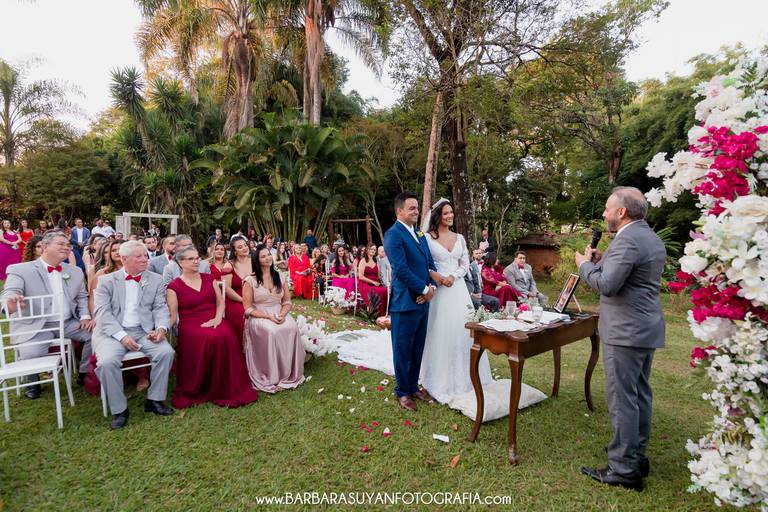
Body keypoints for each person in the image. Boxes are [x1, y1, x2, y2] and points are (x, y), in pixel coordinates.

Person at [575, 186, 666, 492]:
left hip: (625, 331)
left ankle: (624, 468)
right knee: (639, 394)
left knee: (623, 399)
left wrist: (584, 265)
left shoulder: (627, 239)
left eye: (607, 208)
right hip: (644, 328)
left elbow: (608, 285)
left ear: (622, 211)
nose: (604, 213)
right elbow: (630, 274)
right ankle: (636, 456)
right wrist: (602, 260)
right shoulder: (648, 237)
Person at [411, 199, 496, 404]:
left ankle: (469, 373)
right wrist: (438, 278)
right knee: (440, 331)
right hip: (438, 291)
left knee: (463, 331)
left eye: (451, 212)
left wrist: (453, 276)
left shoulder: (460, 238)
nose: (450, 216)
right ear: (437, 216)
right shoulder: (427, 238)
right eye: (445, 213)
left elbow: (465, 264)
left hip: (457, 290)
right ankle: (436, 376)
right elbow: (422, 264)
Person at [92, 240, 175, 429]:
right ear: (124, 259)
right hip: (111, 333)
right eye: (139, 256)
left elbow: (160, 307)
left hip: (142, 330)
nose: (145, 259)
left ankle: (155, 400)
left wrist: (161, 328)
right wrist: (121, 336)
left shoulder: (155, 279)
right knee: (107, 362)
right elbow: (102, 314)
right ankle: (120, 410)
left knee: (166, 352)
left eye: (145, 255)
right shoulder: (106, 281)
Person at [0, 231, 94, 399]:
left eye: (68, 245)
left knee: (95, 334)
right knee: (31, 352)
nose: (66, 247)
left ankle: (84, 372)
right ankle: (32, 382)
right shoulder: (20, 269)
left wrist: (85, 316)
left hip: (68, 322)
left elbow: (81, 296)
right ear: (45, 246)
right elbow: (10, 292)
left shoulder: (75, 271)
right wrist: (11, 302)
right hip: (36, 324)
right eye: (61, 244)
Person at [167, 246, 258, 408]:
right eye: (191, 259)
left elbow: (220, 303)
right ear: (180, 262)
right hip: (190, 323)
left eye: (197, 258)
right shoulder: (174, 286)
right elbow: (173, 315)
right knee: (210, 337)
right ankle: (203, 382)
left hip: (213, 317)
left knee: (226, 334)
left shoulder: (209, 279)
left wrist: (217, 318)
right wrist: (162, 329)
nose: (196, 261)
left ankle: (227, 384)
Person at [383, 192, 437, 412]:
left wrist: (432, 288)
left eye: (417, 207)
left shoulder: (420, 234)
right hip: (405, 302)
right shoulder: (393, 234)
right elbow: (401, 269)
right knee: (402, 349)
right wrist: (424, 289)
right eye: (411, 208)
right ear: (399, 211)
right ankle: (403, 391)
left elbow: (429, 263)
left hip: (424, 301)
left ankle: (413, 386)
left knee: (417, 347)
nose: (416, 211)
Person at [242, 246, 305, 393]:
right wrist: (268, 316)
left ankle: (289, 372)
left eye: (268, 255)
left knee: (292, 327)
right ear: (257, 260)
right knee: (272, 331)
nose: (268, 258)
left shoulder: (280, 276)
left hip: (278, 311)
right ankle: (272, 374)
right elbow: (248, 309)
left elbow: (287, 302)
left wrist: (282, 314)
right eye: (263, 256)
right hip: (259, 315)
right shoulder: (250, 280)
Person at [89, 239, 150, 392]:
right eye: (113, 250)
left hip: (135, 322)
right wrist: (95, 318)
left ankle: (142, 375)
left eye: (119, 249)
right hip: (110, 319)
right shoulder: (102, 274)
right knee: (109, 349)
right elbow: (93, 299)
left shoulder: (142, 273)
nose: (116, 252)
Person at [223, 237, 252, 341]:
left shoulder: (255, 261)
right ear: (234, 251)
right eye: (240, 247)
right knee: (242, 317)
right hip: (236, 299)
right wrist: (243, 300)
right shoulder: (228, 265)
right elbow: (227, 289)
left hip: (254, 296)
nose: (244, 248)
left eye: (245, 245)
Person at [357, 244, 387, 316]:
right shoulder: (363, 261)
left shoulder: (376, 261)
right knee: (377, 292)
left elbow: (378, 275)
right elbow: (360, 276)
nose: (373, 251)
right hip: (365, 283)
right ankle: (373, 314)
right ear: (367, 250)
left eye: (374, 249)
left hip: (376, 282)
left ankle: (383, 314)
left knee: (385, 290)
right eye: (371, 249)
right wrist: (372, 282)